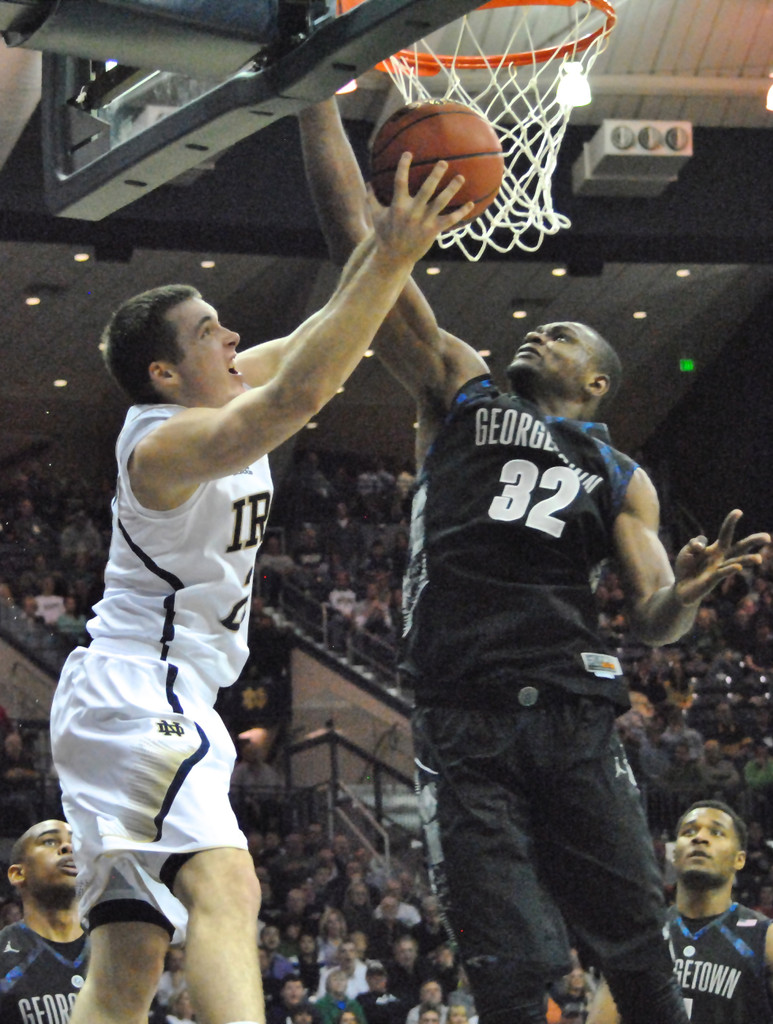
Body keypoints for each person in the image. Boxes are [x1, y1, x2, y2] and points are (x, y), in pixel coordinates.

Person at [298, 96, 771, 1024]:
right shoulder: (459, 388)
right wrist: (313, 99)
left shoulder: (620, 473)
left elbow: (652, 621)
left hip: (570, 713)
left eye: (562, 336)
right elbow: (359, 240)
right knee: (508, 963)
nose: (537, 331)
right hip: (463, 714)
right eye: (538, 327)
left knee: (638, 946)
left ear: (596, 382)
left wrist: (690, 590)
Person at [48, 158, 472, 1024]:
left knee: (130, 960)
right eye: (210, 331)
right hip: (140, 689)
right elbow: (301, 396)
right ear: (166, 373)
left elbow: (325, 335)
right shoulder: (160, 446)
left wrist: (331, 129)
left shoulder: (223, 390)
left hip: (144, 695)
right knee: (230, 886)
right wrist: (390, 257)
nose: (232, 336)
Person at [587, 800, 773, 1023]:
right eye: (689, 831)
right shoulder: (640, 938)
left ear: (739, 859)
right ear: (675, 855)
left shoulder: (764, 937)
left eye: (716, 832)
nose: (700, 838)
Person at [0, 819, 89, 1024]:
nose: (69, 847)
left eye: (76, 842)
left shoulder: (114, 951)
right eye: (50, 842)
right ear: (17, 873)